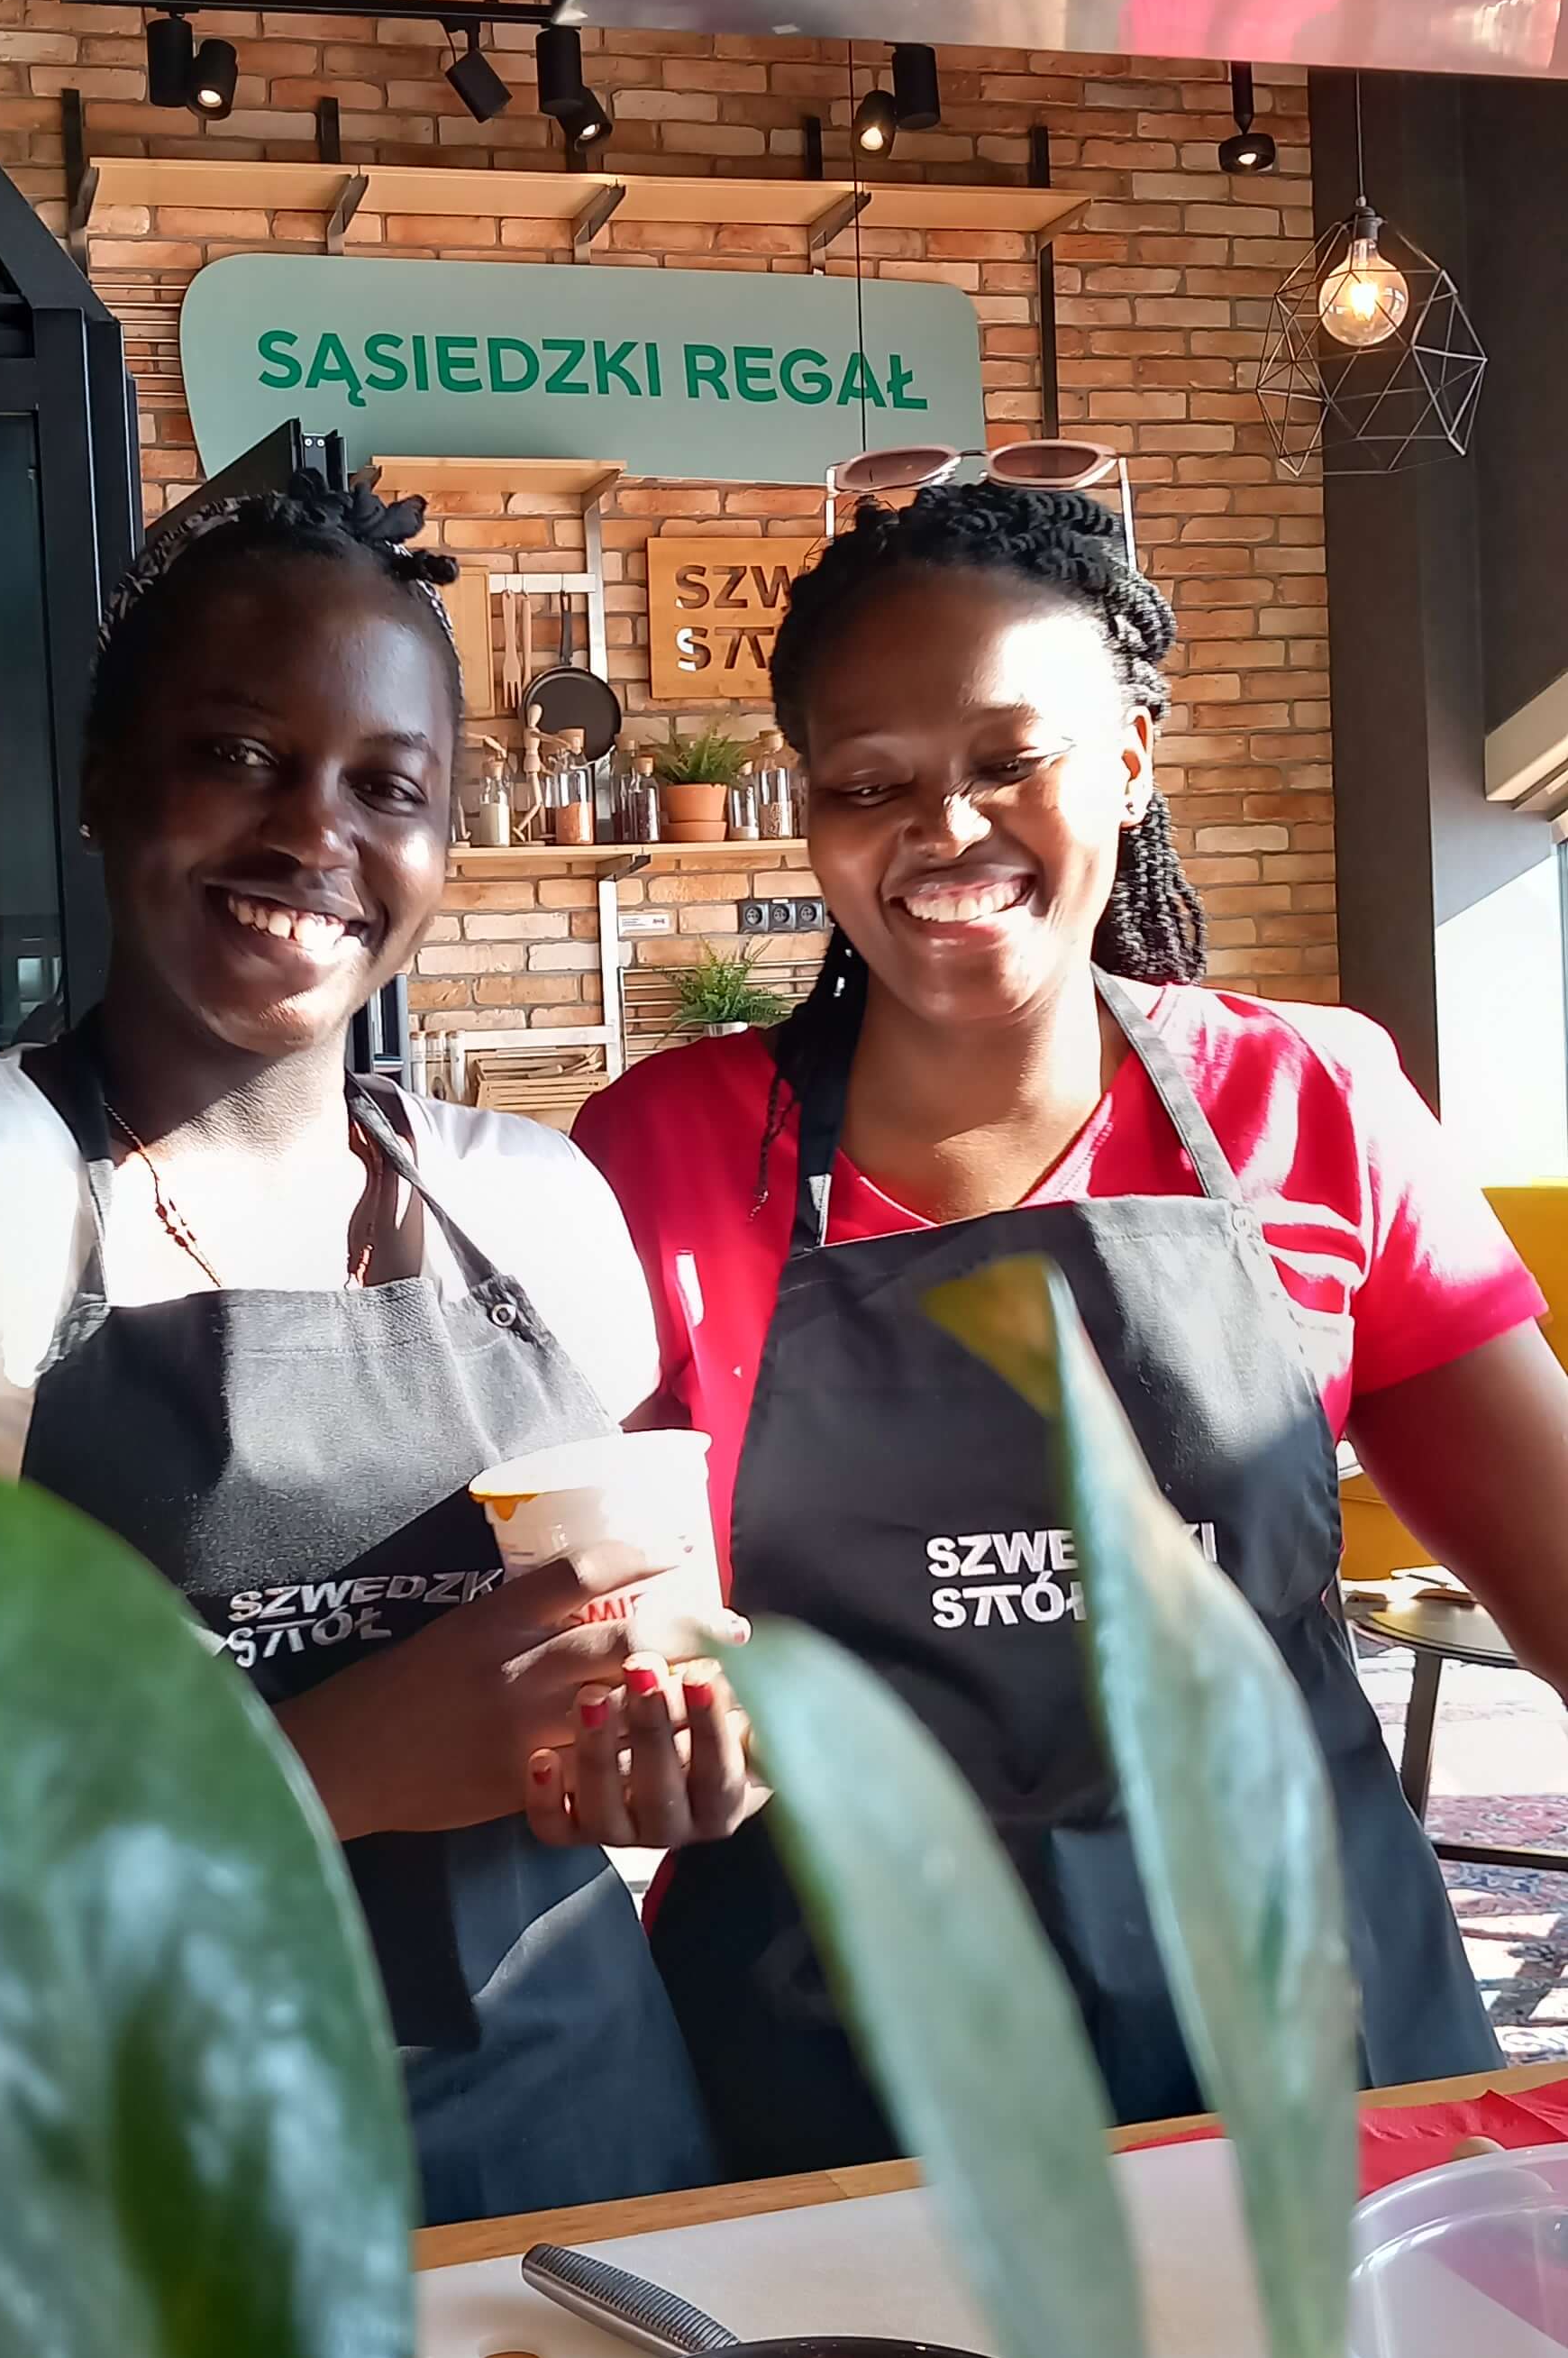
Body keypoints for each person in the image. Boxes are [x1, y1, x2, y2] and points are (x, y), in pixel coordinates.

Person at [0, 473, 758, 2225]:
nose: (309, 833)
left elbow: (649, 1633)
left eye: (383, 786)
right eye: (240, 754)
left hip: (571, 2141)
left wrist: (688, 1734)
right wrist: (338, 1761)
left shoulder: (537, 1202)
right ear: (105, 787)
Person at [575, 481, 1568, 2177]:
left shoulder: (1312, 1101)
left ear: (1126, 763)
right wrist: (633, 1733)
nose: (943, 827)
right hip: (842, 2070)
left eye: (1007, 759)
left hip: (1309, 2046)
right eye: (868, 782)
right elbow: (605, 1620)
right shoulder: (665, 1149)